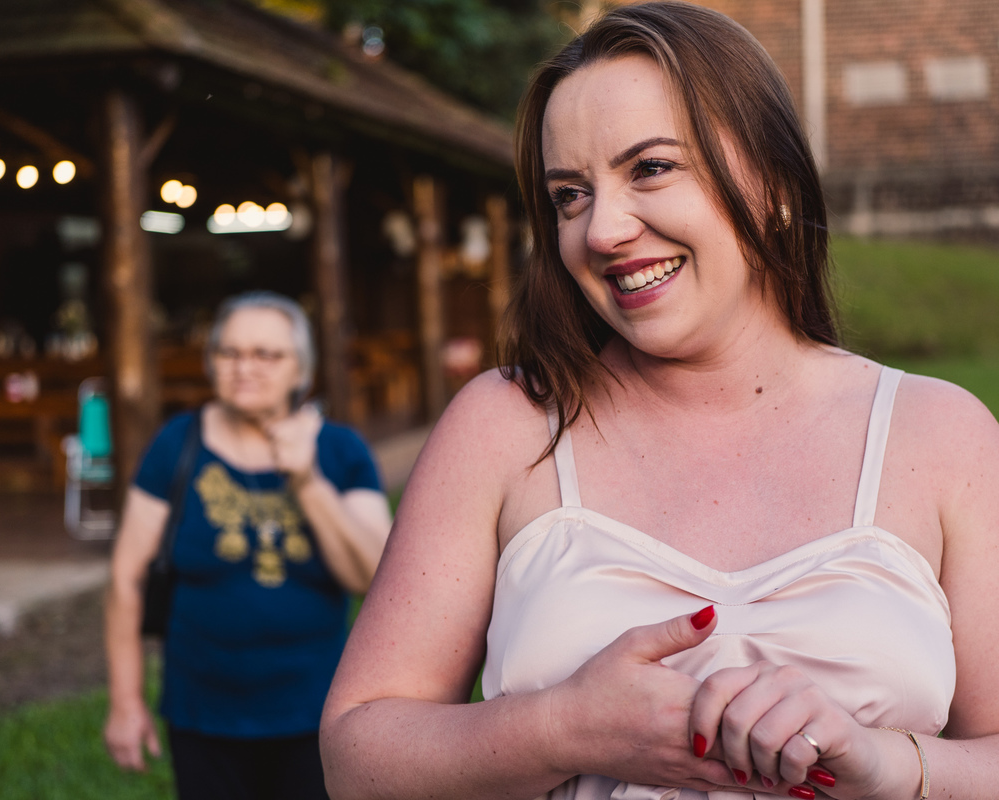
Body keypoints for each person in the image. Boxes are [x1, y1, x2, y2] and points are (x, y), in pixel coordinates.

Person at [321, 4, 999, 800]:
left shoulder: (940, 435)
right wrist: (560, 729)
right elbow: (355, 759)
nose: (600, 231)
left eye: (649, 168)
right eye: (570, 196)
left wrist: (885, 763)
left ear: (775, 182)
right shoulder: (505, 425)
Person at [104, 291, 392, 800]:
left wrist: (307, 480)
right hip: (202, 711)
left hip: (318, 710)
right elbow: (126, 579)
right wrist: (126, 702)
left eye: (266, 354)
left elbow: (375, 578)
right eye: (229, 352)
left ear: (301, 368)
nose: (244, 367)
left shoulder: (340, 450)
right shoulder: (177, 443)